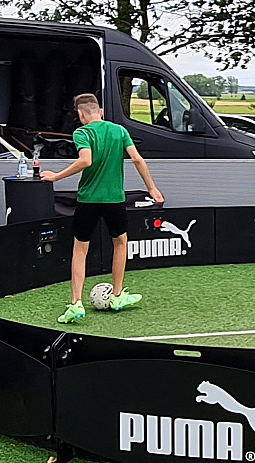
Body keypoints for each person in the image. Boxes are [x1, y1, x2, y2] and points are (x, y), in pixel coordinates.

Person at [40, 92, 163, 323]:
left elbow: (86, 160)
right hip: (114, 200)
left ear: (80, 114)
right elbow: (137, 159)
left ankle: (76, 304)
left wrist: (56, 176)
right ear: (101, 112)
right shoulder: (119, 130)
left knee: (80, 250)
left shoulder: (82, 133)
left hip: (88, 200)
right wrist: (152, 188)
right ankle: (116, 296)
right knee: (120, 243)